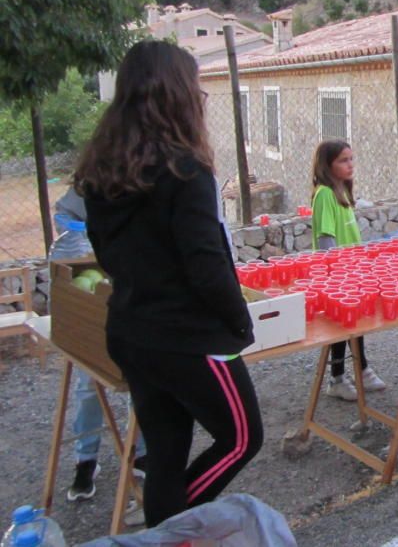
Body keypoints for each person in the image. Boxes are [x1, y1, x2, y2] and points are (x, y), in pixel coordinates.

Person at [74, 40, 263, 527]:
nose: (201, 96)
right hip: (186, 339)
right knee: (242, 438)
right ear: (177, 94)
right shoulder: (186, 169)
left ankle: (165, 529)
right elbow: (206, 265)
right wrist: (241, 323)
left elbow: (106, 253)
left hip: (132, 331)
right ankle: (173, 528)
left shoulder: (100, 170)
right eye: (196, 86)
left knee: (165, 452)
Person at [52, 187, 148, 504]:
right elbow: (63, 215)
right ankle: (86, 460)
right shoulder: (95, 175)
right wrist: (85, 231)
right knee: (88, 383)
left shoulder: (151, 175)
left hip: (135, 289)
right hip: (95, 287)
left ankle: (142, 455)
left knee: (142, 379)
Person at [310, 140, 387, 401]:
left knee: (356, 322)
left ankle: (361, 369)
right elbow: (326, 239)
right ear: (327, 165)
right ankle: (338, 378)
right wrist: (336, 273)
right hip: (339, 274)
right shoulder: (325, 195)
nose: (350, 164)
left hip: (353, 270)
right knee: (340, 327)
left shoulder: (341, 190)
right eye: (343, 160)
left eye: (351, 159)